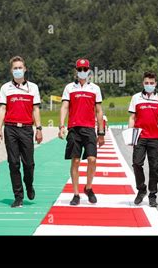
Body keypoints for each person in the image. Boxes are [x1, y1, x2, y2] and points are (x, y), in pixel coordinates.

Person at [0, 56, 43, 208]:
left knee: (29, 164)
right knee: (13, 163)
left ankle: (28, 185)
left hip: (27, 129)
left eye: (20, 68)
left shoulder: (33, 88)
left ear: (25, 69)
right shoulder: (5, 88)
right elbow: (2, 109)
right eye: (15, 68)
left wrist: (39, 129)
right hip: (10, 128)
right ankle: (18, 197)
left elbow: (35, 110)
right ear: (11, 71)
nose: (17, 70)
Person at [58, 59, 105, 206]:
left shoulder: (95, 89)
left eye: (85, 69)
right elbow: (64, 107)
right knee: (76, 161)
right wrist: (61, 126)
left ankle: (88, 188)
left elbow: (98, 111)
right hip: (74, 129)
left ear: (89, 71)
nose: (83, 71)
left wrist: (101, 132)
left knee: (92, 159)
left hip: (89, 128)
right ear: (76, 70)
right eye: (80, 69)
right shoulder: (69, 88)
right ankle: (76, 194)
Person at [127, 71, 158, 207]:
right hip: (140, 136)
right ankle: (141, 189)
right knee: (136, 164)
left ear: (155, 84)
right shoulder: (136, 98)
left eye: (151, 83)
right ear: (143, 83)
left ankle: (153, 194)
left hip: (155, 138)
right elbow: (132, 118)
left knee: (154, 167)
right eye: (146, 83)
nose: (149, 85)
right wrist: (130, 135)